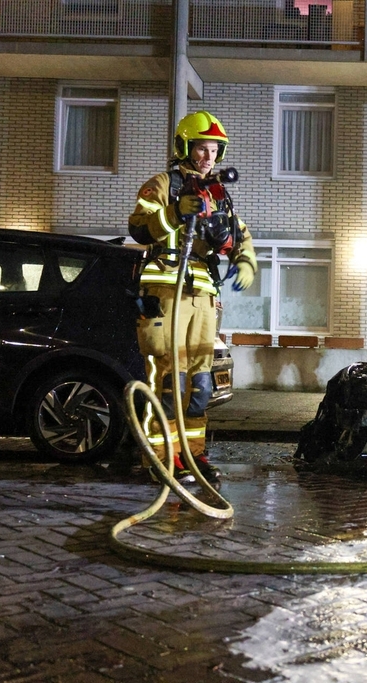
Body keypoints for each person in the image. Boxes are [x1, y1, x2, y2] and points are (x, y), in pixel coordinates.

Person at [128, 110, 257, 485]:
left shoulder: (218, 193)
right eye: (202, 149)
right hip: (166, 287)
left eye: (214, 150)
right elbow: (139, 228)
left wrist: (245, 259)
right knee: (169, 380)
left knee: (201, 384)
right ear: (185, 147)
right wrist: (174, 212)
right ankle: (161, 458)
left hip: (202, 294)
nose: (208, 157)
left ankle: (193, 455)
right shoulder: (162, 185)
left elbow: (238, 232)